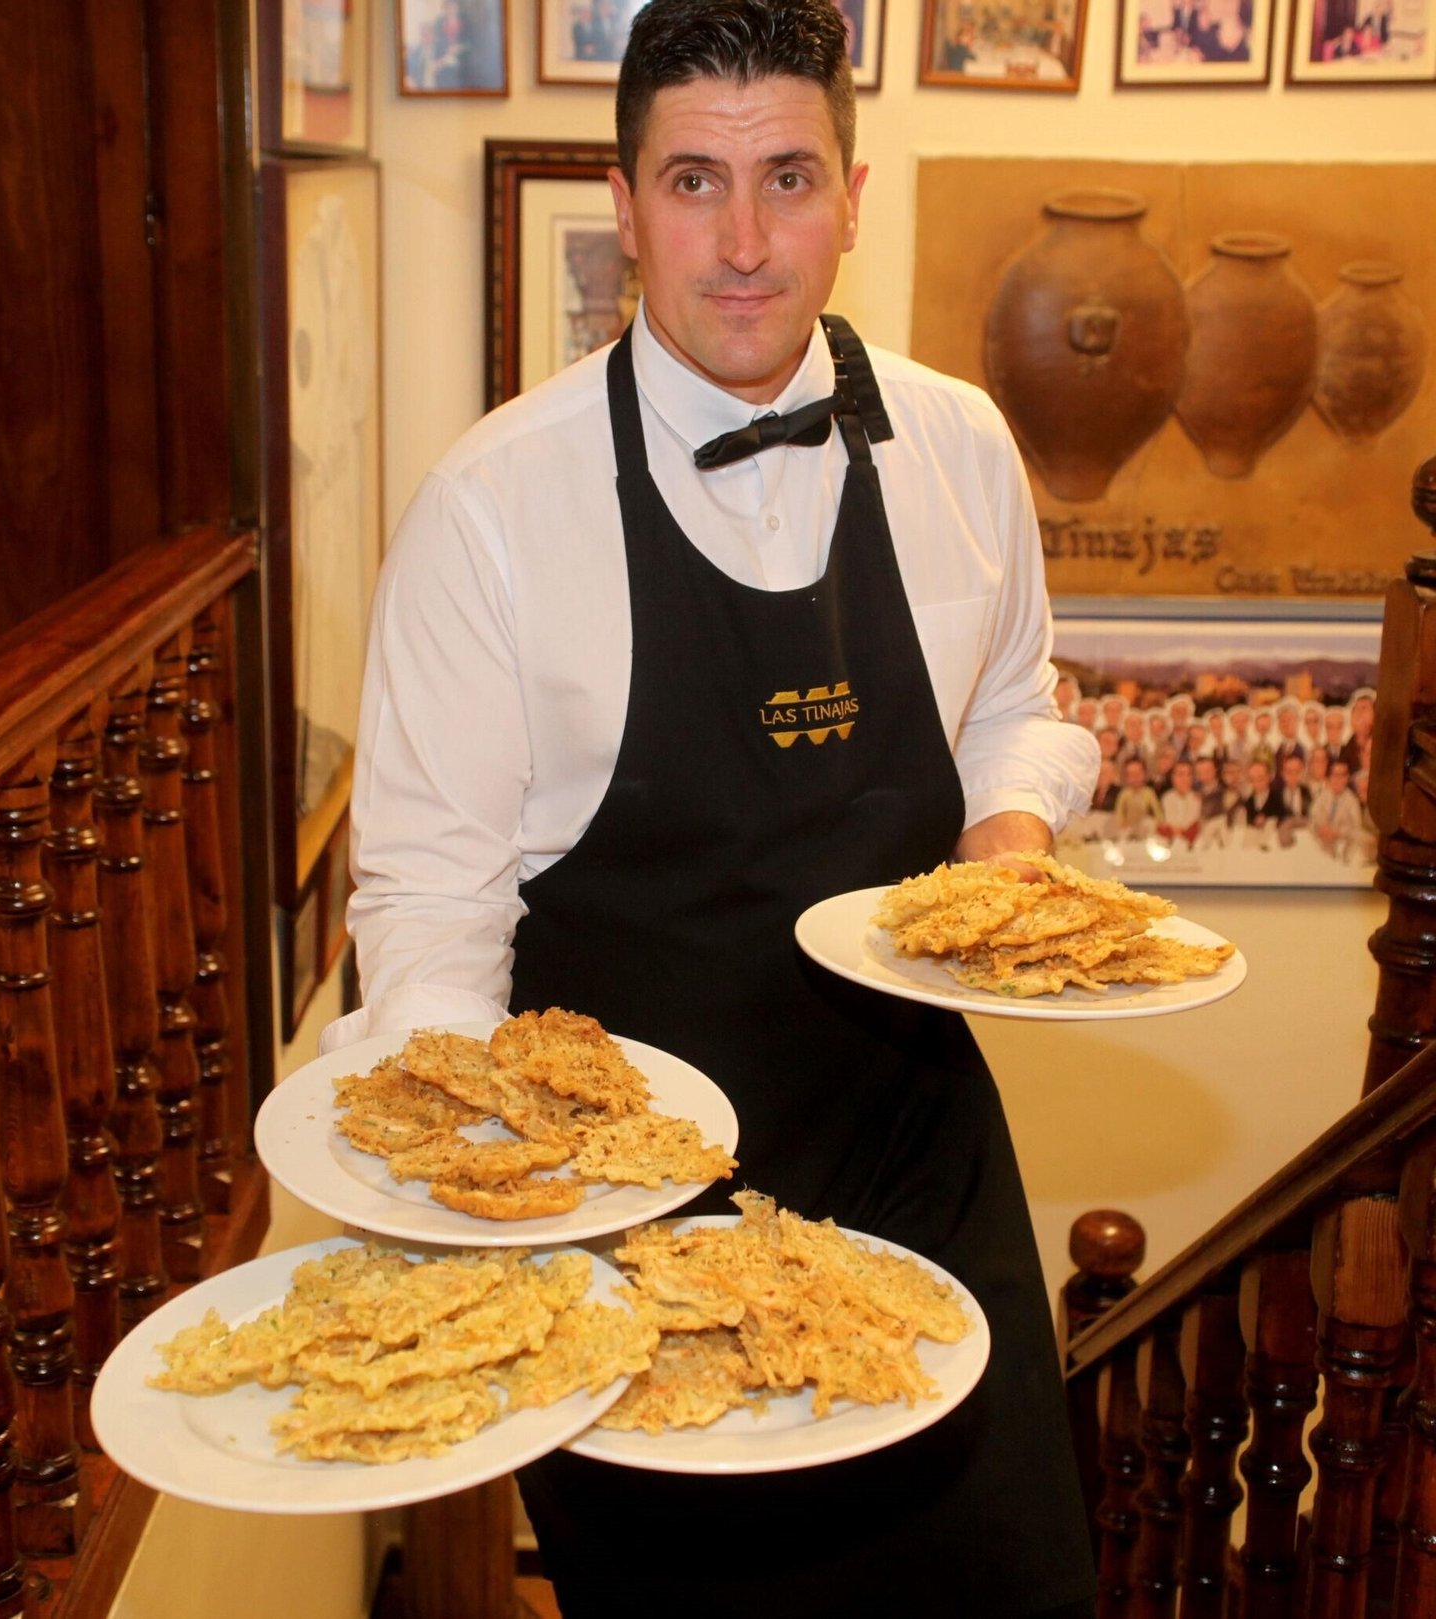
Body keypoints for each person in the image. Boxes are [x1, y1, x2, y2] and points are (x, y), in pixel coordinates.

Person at [327, 3, 1098, 1614]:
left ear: (852, 193)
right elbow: (431, 899)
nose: (745, 243)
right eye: (693, 181)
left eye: (788, 178)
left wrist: (1004, 852)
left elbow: (1024, 701)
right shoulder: (492, 509)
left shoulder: (961, 445)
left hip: (919, 1166)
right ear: (624, 204)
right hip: (629, 1228)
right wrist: (468, 1183)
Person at [1311, 756, 1364, 860]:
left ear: (1347, 777)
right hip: (1322, 842)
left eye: (1342, 775)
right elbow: (1314, 813)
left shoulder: (1352, 801)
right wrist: (1323, 826)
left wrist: (1338, 833)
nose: (1337, 779)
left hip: (1342, 845)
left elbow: (1356, 828)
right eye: (1335, 775)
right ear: (1330, 776)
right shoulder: (1324, 794)